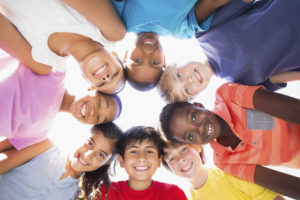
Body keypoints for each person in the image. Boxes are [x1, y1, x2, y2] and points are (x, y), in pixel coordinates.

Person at [159, 82, 300, 199]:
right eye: (190, 135)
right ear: (194, 143)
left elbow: (295, 109)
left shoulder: (227, 95)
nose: (199, 128)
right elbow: (279, 182)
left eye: (194, 117)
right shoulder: (224, 161)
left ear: (198, 105)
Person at [157, 0, 300, 102]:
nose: (189, 80)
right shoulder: (241, 85)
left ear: (175, 65)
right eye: (186, 90)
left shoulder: (206, 32)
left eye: (179, 76)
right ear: (195, 95)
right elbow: (286, 76)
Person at [0, 53, 121, 156]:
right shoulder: (55, 71)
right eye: (100, 103)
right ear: (91, 89)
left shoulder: (40, 134)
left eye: (98, 118)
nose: (94, 111)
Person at [0, 0, 126, 94]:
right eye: (116, 74)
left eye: (102, 83)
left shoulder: (42, 60)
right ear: (115, 56)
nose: (107, 78)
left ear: (85, 77)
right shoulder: (111, 32)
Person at [110, 0, 232, 91]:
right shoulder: (182, 31)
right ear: (163, 60)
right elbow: (211, 3)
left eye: (137, 60)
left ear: (125, 56)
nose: (147, 53)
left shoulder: (120, 19)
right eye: (154, 63)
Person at [0, 122, 123, 200]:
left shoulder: (78, 194)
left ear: (106, 163)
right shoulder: (46, 148)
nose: (88, 154)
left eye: (101, 155)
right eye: (90, 143)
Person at [163, 142, 284, 200]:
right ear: (170, 169)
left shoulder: (229, 172)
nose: (181, 159)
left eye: (184, 149)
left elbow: (272, 197)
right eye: (171, 158)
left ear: (198, 147)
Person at [98, 126, 188, 200]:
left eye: (149, 151)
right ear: (121, 160)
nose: (141, 158)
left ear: (159, 160)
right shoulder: (105, 192)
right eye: (134, 151)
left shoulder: (173, 194)